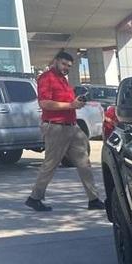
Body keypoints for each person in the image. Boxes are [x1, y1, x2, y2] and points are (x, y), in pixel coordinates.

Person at [25, 50, 104, 212]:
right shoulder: (46, 78)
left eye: (69, 66)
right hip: (55, 127)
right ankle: (34, 198)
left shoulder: (63, 80)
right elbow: (45, 103)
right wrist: (71, 105)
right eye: (64, 64)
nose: (66, 68)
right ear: (55, 61)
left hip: (72, 126)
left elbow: (68, 102)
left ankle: (94, 199)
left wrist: (77, 102)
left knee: (84, 163)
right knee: (51, 164)